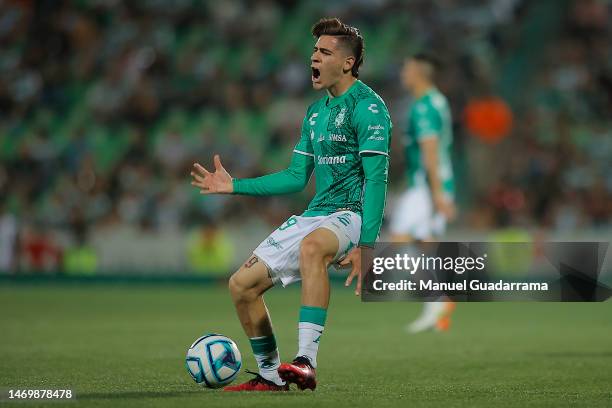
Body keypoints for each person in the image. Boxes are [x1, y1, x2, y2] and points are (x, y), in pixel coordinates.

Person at [190, 17, 391, 391]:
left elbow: (377, 179)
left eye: (324, 52)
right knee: (241, 286)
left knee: (312, 249)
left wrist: (367, 247)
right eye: (314, 50)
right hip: (316, 213)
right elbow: (296, 176)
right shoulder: (315, 113)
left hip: (351, 213)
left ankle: (306, 361)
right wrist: (235, 186)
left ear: (347, 63)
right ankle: (269, 375)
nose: (314, 57)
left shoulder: (370, 108)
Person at [389, 53, 457, 333]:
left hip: (427, 186)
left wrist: (437, 193)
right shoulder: (437, 100)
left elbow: (430, 150)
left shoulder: (424, 107)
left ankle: (437, 299)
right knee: (423, 243)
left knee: (400, 239)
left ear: (418, 72)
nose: (403, 74)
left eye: (406, 68)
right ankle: (437, 305)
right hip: (434, 182)